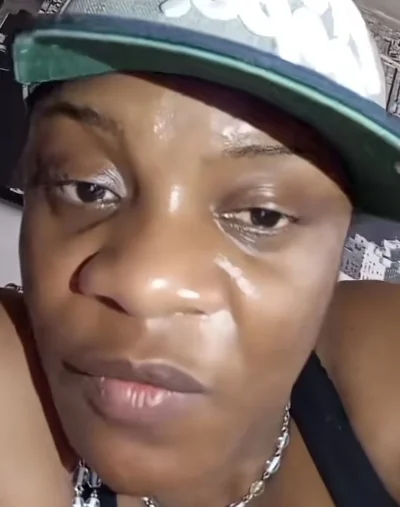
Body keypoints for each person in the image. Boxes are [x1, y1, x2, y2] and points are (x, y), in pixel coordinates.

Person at [2, 0, 400, 506]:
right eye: (87, 187)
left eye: (263, 215)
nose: (146, 283)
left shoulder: (385, 365)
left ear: (341, 244)